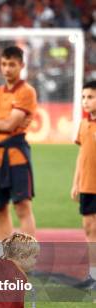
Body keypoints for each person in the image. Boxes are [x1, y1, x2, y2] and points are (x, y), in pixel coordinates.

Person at [0, 46, 38, 240]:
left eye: (12, 64)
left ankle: (27, 258)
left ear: (21, 65)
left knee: (22, 206)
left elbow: (9, 124)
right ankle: (7, 259)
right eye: (4, 64)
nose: (7, 69)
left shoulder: (26, 92)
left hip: (16, 155)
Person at [71, 81, 96, 288]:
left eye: (91, 97)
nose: (86, 101)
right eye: (84, 97)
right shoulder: (84, 124)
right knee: (88, 229)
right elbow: (82, 155)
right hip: (87, 185)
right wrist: (76, 182)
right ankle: (93, 275)